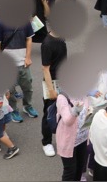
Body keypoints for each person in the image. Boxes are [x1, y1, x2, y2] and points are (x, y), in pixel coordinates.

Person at [0, 16, 37, 123]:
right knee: (10, 90)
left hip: (23, 63)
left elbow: (29, 39)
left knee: (28, 87)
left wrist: (28, 57)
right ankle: (13, 110)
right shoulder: (1, 24)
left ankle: (27, 106)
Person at [40, 24, 67, 157]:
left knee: (63, 111)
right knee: (49, 113)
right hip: (52, 83)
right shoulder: (47, 44)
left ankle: (61, 138)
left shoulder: (61, 37)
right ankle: (46, 142)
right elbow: (45, 68)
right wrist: (51, 90)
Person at [54, 88, 90, 181]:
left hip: (83, 138)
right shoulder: (63, 97)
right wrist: (76, 111)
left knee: (79, 168)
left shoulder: (84, 94)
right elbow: (67, 121)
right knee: (70, 171)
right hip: (68, 141)